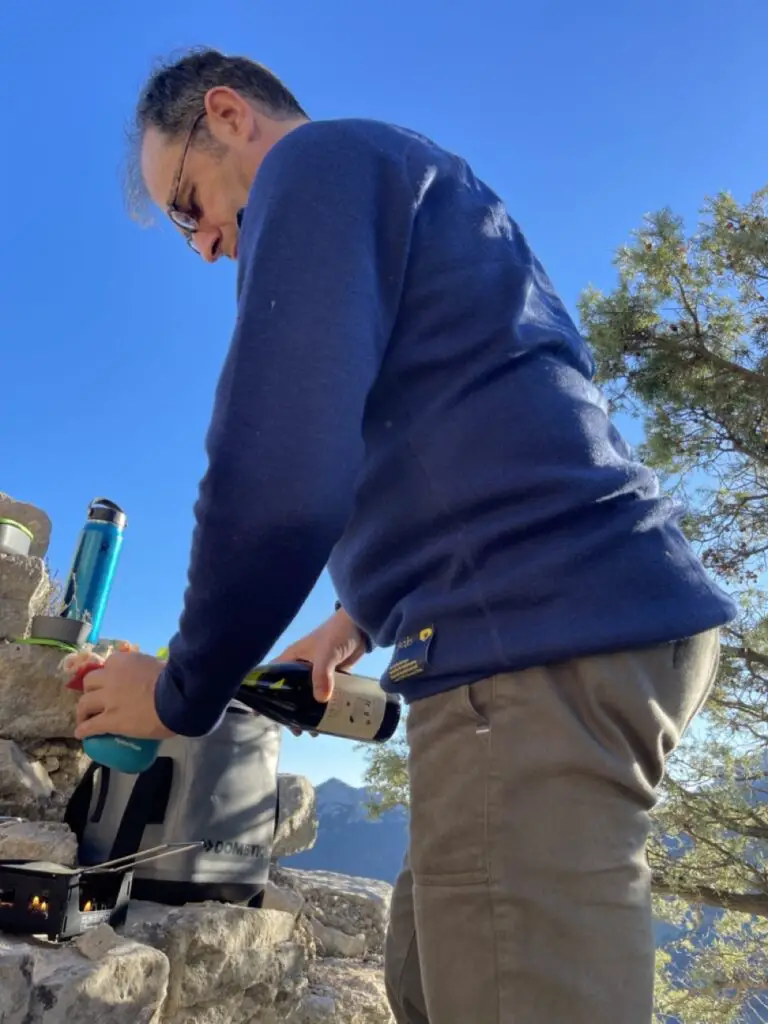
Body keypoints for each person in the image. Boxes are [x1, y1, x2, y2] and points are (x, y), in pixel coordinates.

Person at [74, 48, 736, 1024]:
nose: (204, 245)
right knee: (429, 986)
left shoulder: (316, 166)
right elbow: (484, 429)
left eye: (187, 204)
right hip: (567, 626)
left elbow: (280, 466)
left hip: (529, 645)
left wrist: (177, 695)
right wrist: (352, 621)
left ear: (227, 116)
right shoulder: (413, 186)